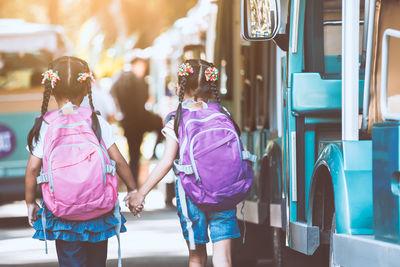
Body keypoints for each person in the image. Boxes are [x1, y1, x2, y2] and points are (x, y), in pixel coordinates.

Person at [126, 59, 245, 267]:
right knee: (224, 258)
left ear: (180, 87)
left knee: (197, 258)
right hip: (224, 192)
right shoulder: (223, 114)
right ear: (211, 87)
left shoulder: (177, 118)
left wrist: (140, 193)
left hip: (192, 195)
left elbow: (166, 161)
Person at [25, 56, 139, 267]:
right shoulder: (96, 121)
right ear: (86, 89)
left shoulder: (46, 124)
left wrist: (31, 202)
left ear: (52, 88)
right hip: (98, 209)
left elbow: (33, 169)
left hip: (62, 212)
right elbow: (119, 162)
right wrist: (133, 190)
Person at [111, 57, 163, 184]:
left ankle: (132, 183)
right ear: (135, 65)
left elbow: (113, 95)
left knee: (133, 154)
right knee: (161, 124)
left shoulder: (118, 80)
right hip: (139, 120)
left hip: (127, 121)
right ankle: (154, 154)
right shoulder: (138, 81)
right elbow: (143, 100)